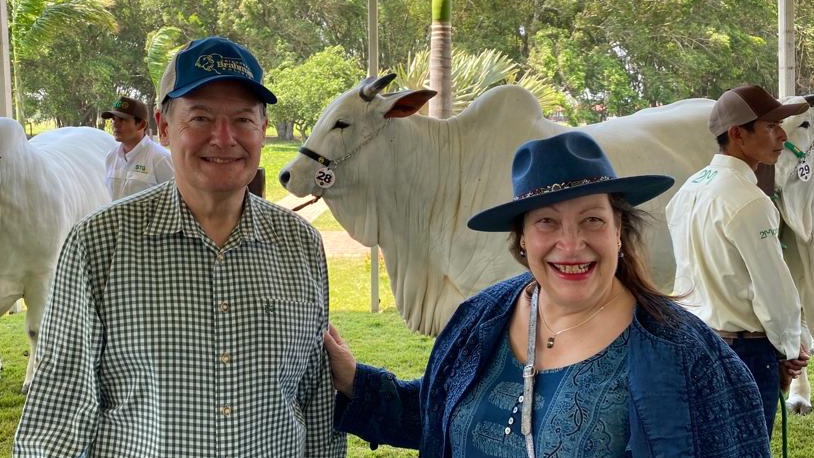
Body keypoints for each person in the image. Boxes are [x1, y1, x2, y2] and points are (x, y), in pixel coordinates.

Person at [325, 131, 771, 457]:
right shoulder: (482, 317)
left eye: (593, 219)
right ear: (522, 239)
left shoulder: (686, 352)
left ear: (619, 230)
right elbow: (438, 412)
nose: (571, 243)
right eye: (547, 222)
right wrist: (356, 382)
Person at [14, 36, 346, 457]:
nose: (224, 138)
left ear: (263, 129)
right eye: (201, 118)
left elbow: (315, 402)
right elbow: (58, 413)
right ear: (165, 127)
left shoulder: (301, 245)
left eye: (243, 119)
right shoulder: (99, 242)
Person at [666, 84, 810, 436]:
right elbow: (773, 289)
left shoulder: (690, 188)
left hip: (696, 341)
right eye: (770, 126)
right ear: (737, 134)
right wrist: (792, 348)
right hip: (744, 350)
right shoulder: (750, 201)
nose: (780, 135)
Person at [101, 96, 174, 200]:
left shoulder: (160, 158)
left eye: (122, 120)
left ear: (141, 124)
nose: (115, 125)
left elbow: (174, 201)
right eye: (113, 119)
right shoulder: (111, 157)